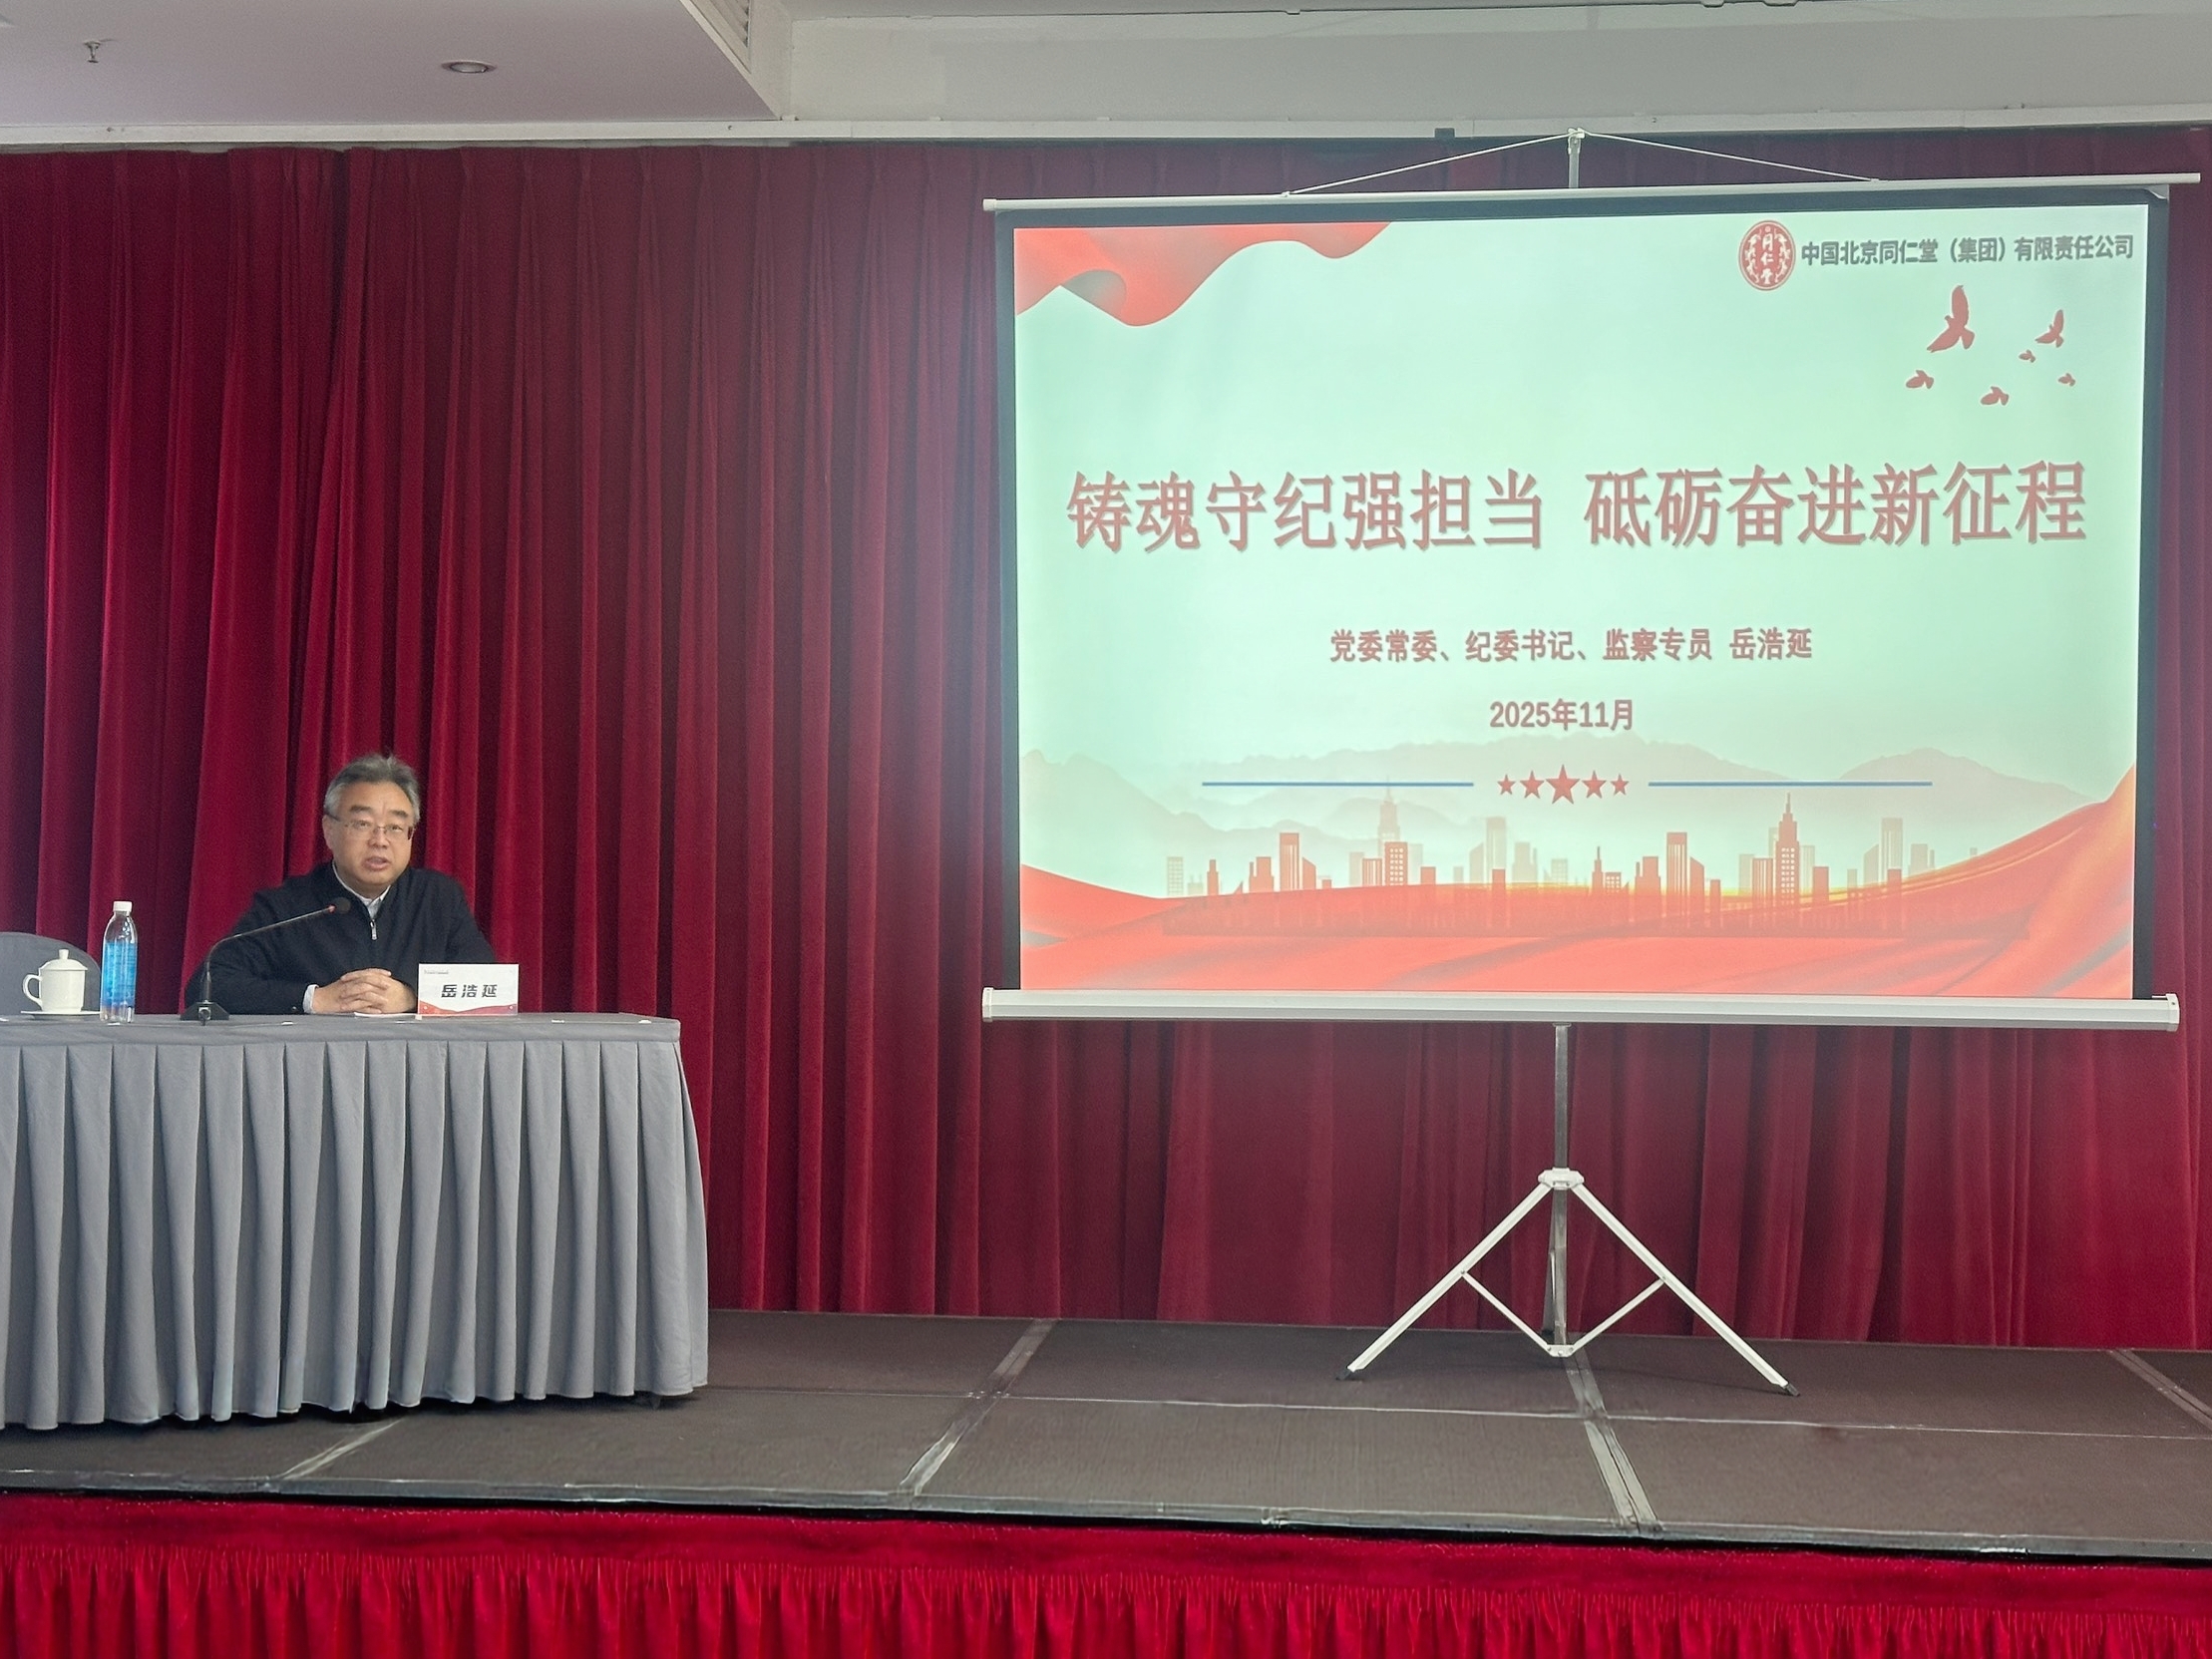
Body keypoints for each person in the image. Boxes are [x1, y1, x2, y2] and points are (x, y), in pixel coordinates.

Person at [199, 754, 495, 1015]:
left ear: (410, 835)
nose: (380, 841)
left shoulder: (438, 899)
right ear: (329, 831)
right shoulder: (286, 907)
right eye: (362, 824)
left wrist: (413, 996)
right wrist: (315, 999)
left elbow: (490, 986)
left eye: (395, 827)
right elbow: (210, 984)